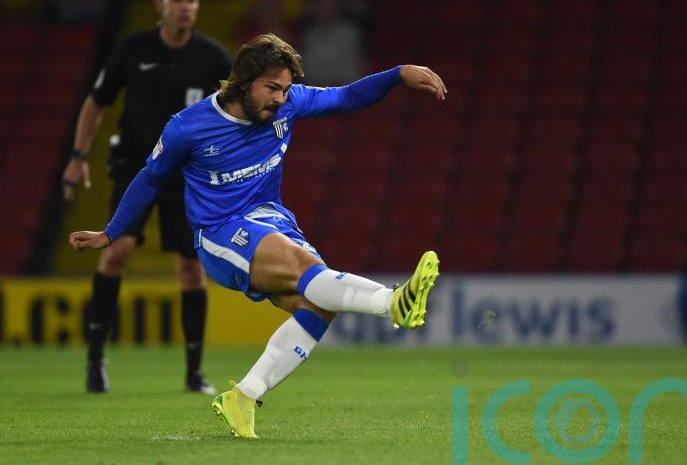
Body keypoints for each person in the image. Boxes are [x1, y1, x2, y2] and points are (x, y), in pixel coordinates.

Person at [69, 33, 447, 439]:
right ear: (243, 81)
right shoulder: (188, 127)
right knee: (306, 269)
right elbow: (149, 178)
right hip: (220, 233)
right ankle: (391, 303)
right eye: (272, 88)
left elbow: (347, 96)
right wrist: (111, 233)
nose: (280, 99)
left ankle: (244, 396)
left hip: (272, 221)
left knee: (319, 304)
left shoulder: (290, 104)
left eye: (285, 89)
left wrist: (398, 74)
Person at [62, 0, 232, 395]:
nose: (185, 8)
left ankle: (194, 372)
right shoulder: (132, 49)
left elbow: (235, 115)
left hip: (187, 175)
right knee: (116, 252)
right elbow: (96, 102)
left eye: (191, 0)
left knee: (191, 269)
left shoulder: (213, 58)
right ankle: (94, 361)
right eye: (177, 0)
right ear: (159, 5)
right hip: (135, 167)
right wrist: (79, 157)